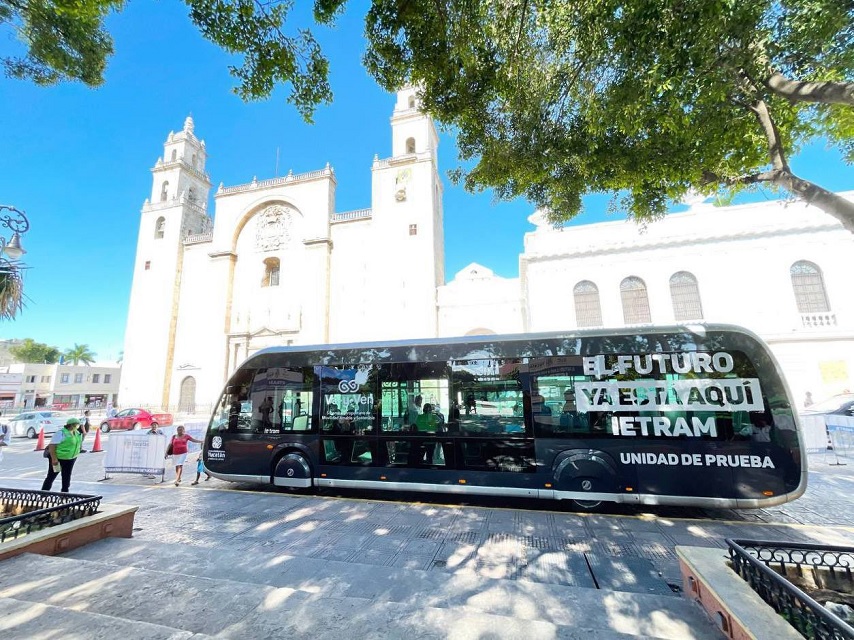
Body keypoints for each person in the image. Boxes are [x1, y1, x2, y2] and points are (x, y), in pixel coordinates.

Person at [41, 417, 84, 493]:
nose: (77, 426)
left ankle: (64, 492)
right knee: (51, 476)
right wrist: (54, 459)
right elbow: (52, 446)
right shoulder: (61, 433)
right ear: (70, 425)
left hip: (71, 458)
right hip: (59, 459)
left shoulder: (77, 433)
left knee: (66, 476)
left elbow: (78, 443)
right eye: (76, 425)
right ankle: (44, 492)